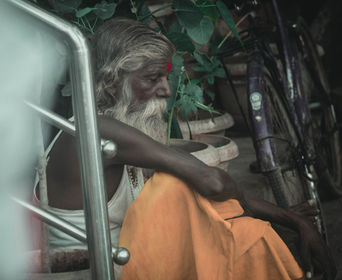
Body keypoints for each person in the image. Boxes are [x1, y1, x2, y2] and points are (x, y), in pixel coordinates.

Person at [41, 18, 336, 279]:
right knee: (187, 196)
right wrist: (289, 219)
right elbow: (212, 181)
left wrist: (288, 217)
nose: (167, 90)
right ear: (112, 81)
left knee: (221, 217)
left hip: (127, 257)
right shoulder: (100, 129)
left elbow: (211, 186)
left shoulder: (104, 127)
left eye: (165, 77)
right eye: (152, 78)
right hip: (98, 268)